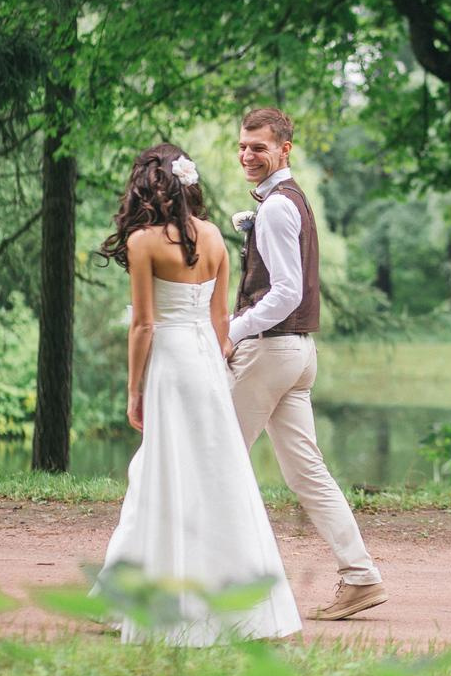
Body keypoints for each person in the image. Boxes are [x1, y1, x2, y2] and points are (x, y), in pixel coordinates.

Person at [96, 143, 302, 645]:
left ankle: (155, 596)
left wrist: (133, 389)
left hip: (169, 362)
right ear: (188, 184)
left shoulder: (144, 242)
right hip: (207, 362)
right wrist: (217, 364)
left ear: (146, 185)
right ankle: (237, 601)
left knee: (166, 470)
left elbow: (143, 325)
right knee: (217, 472)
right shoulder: (213, 236)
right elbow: (220, 323)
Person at [222, 107, 387, 621]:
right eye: (244, 146)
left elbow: (286, 292)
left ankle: (218, 583)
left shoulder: (277, 207)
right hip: (298, 355)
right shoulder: (287, 201)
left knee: (213, 457)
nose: (248, 155)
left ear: (284, 148)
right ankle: (361, 577)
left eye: (259, 147)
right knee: (308, 474)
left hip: (269, 351)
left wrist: (232, 330)